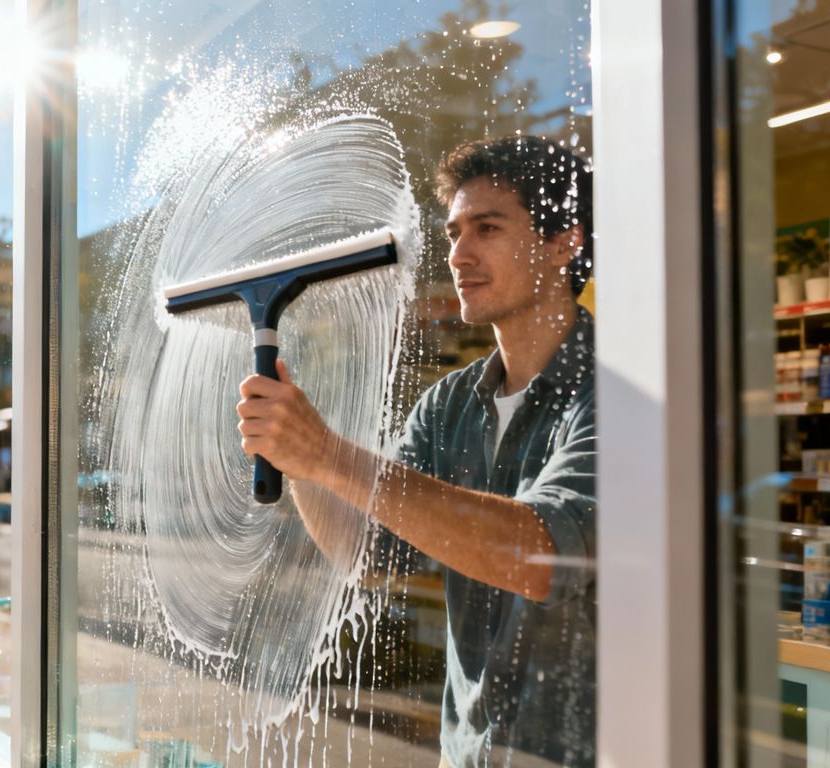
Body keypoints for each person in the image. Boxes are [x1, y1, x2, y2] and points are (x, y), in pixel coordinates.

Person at [236, 135, 596, 767]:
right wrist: (300, 463)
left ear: (565, 242)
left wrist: (329, 456)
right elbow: (366, 550)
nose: (459, 254)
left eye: (487, 227)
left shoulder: (614, 390)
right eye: (454, 232)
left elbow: (545, 558)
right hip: (470, 754)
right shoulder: (449, 404)